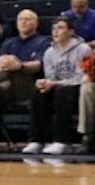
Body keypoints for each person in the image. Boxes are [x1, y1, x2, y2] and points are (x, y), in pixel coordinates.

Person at [0, 9, 49, 151]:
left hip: (30, 85)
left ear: (36, 23)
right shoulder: (8, 42)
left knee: (12, 66)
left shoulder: (43, 41)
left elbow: (38, 65)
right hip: (6, 85)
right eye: (21, 19)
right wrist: (7, 63)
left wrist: (19, 65)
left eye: (28, 19)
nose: (24, 22)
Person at [25, 19, 88, 155]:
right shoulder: (49, 52)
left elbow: (80, 77)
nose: (56, 31)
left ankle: (62, 141)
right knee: (39, 93)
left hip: (79, 88)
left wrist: (54, 84)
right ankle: (36, 140)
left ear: (71, 32)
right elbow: (51, 77)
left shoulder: (83, 49)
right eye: (54, 28)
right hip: (59, 87)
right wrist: (45, 83)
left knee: (62, 92)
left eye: (60, 28)